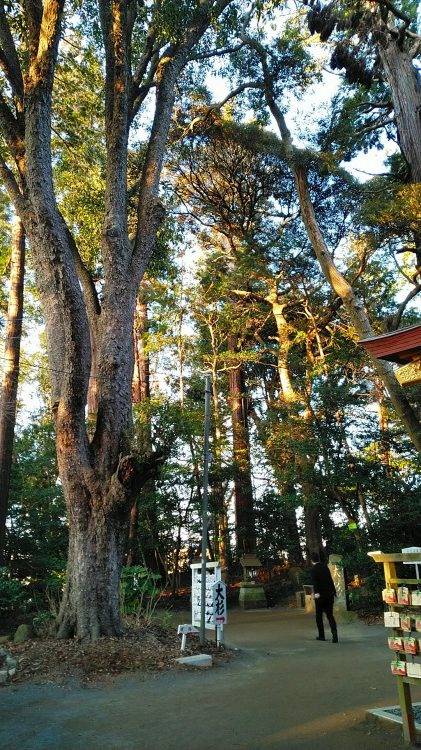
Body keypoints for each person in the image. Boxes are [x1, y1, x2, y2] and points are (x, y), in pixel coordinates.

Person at [310, 552, 338, 643]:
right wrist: (334, 591)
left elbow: (315, 582)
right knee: (330, 615)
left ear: (311, 560)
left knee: (319, 616)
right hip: (329, 594)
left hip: (320, 596)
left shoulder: (314, 569)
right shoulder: (325, 567)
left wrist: (316, 593)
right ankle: (334, 635)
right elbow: (330, 579)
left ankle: (321, 635)